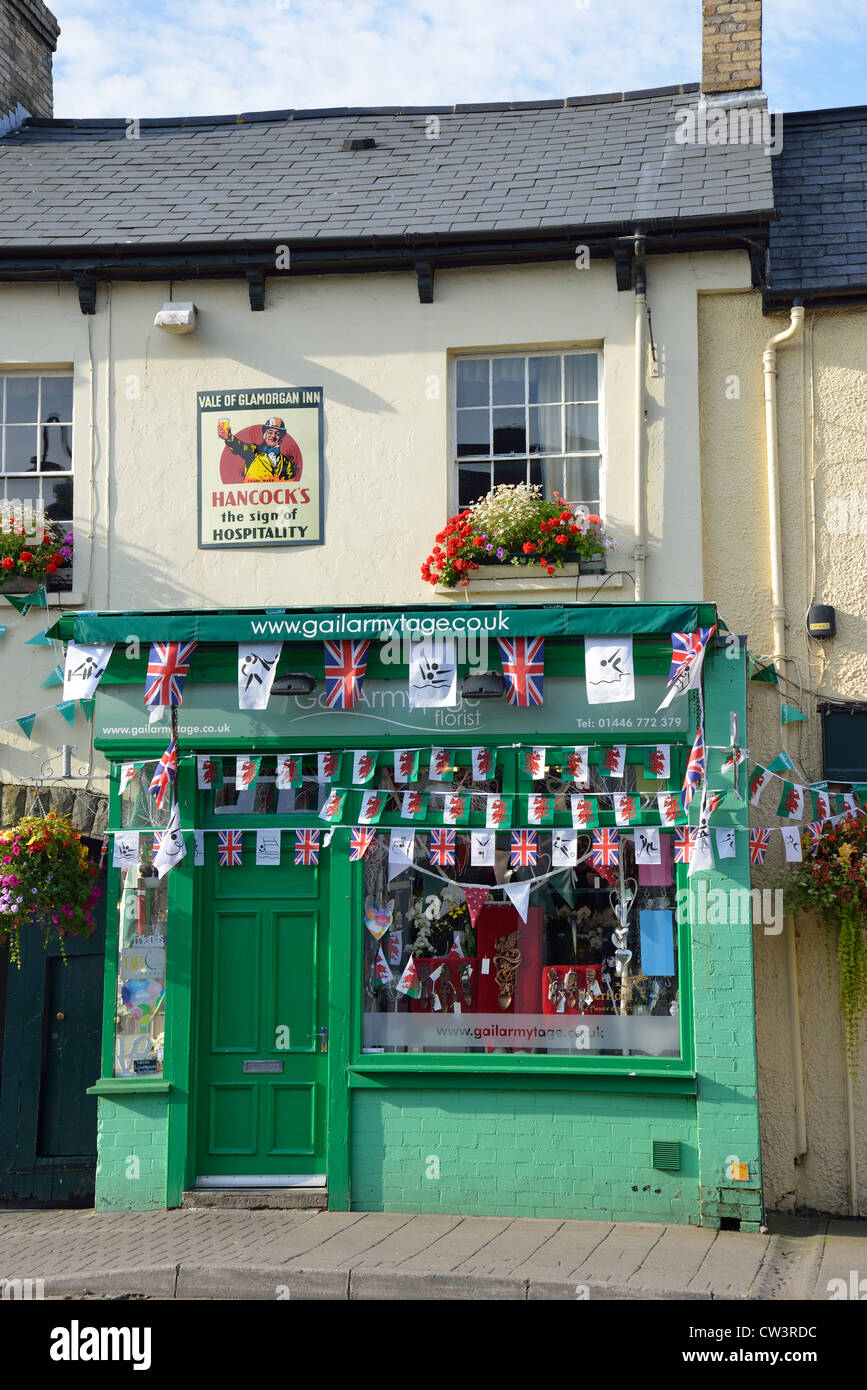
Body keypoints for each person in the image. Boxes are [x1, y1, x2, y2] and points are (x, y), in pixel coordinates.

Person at [217, 417, 297, 482]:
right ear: (264, 435)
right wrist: (229, 438)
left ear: (280, 439)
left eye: (277, 434)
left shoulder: (286, 463)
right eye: (270, 432)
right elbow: (240, 447)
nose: (273, 436)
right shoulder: (253, 451)